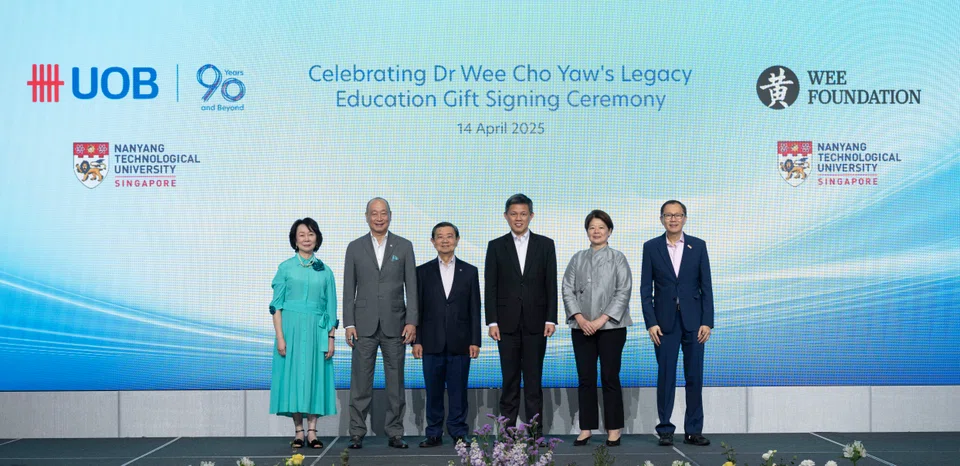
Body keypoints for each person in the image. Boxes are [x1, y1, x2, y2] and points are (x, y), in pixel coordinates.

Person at [343, 197, 418, 449]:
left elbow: (412, 288)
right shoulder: (354, 247)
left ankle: (395, 432)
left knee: (395, 382)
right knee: (360, 382)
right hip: (362, 326)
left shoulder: (404, 246)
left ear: (390, 215)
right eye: (374, 213)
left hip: (396, 324)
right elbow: (348, 288)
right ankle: (356, 432)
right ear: (366, 216)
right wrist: (348, 323)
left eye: (383, 213)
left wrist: (412, 321)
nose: (378, 217)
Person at [640, 200, 714, 447]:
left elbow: (707, 288)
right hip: (664, 324)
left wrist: (707, 321)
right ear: (661, 219)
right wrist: (650, 322)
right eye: (668, 215)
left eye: (678, 215)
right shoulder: (651, 247)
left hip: (694, 323)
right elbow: (645, 289)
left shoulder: (698, 246)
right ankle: (665, 429)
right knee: (666, 376)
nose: (673, 219)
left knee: (694, 377)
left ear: (685, 218)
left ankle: (693, 430)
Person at [485, 193, 558, 434]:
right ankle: (506, 434)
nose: (518, 218)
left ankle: (535, 433)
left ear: (531, 216)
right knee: (510, 381)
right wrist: (492, 321)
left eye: (523, 214)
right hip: (505, 324)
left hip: (537, 323)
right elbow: (491, 286)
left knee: (534, 381)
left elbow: (551, 284)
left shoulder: (546, 244)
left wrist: (551, 318)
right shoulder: (495, 246)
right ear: (506, 216)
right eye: (514, 214)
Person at [562, 210, 632, 447]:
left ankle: (614, 429)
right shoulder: (577, 258)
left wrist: (601, 320)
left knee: (610, 377)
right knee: (585, 378)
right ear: (587, 231)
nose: (596, 231)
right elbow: (567, 289)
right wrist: (581, 319)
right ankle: (586, 428)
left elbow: (623, 291)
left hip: (612, 327)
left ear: (609, 231)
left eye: (601, 227)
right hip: (581, 327)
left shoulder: (618, 258)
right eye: (592, 227)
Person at [269, 217, 338, 450]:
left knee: (315, 378)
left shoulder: (326, 271)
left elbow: (331, 307)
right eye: (302, 235)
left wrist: (331, 337)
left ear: (317, 237)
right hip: (291, 330)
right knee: (293, 379)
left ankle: (312, 432)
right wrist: (280, 336)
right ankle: (298, 431)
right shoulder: (285, 268)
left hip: (318, 331)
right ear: (295, 240)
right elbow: (276, 305)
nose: (307, 238)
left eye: (311, 234)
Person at [412, 222, 481, 448]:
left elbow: (474, 308)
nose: (444, 240)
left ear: (457, 240)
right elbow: (417, 308)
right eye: (439, 237)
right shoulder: (421, 272)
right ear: (432, 242)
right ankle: (433, 432)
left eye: (449, 236)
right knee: (433, 392)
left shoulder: (470, 271)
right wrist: (417, 340)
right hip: (430, 342)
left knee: (458, 391)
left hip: (461, 342)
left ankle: (459, 432)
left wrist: (475, 340)